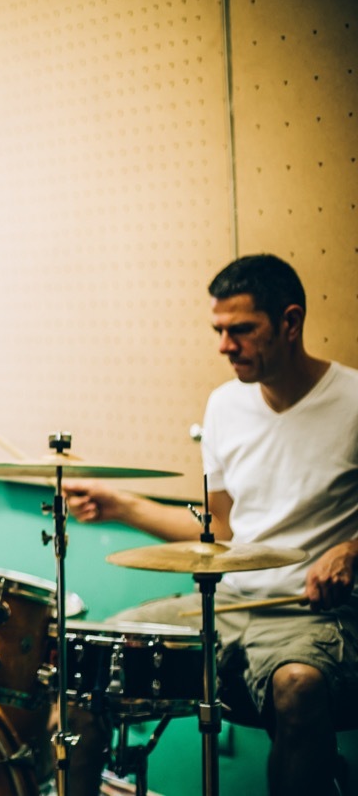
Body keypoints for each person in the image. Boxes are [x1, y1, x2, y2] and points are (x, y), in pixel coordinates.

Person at [62, 254, 358, 795]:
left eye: (241, 330)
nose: (224, 346)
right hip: (231, 603)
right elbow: (221, 533)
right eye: (218, 330)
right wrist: (119, 504)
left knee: (298, 686)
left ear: (290, 323)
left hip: (311, 618)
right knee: (90, 662)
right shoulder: (225, 405)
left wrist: (352, 549)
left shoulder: (353, 402)